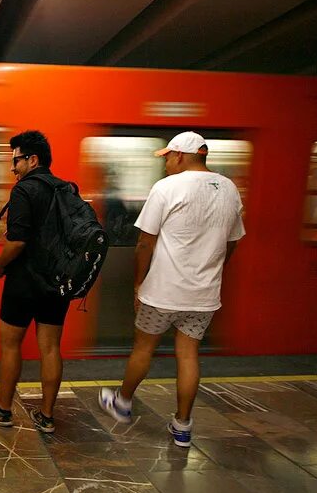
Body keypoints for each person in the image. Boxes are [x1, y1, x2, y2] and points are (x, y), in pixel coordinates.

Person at [98, 131, 245, 448]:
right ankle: (182, 425)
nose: (165, 165)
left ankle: (122, 403)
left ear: (180, 155)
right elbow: (232, 242)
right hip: (203, 296)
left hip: (162, 292)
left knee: (143, 348)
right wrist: (214, 270)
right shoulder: (230, 189)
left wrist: (138, 283)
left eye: (167, 158)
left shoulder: (166, 187)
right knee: (188, 355)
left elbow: (144, 242)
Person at [0, 130, 72, 434]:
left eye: (15, 160)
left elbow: (16, 243)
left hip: (23, 282)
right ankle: (46, 416)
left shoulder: (23, 191)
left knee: (10, 345)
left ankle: (3, 410)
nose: (12, 168)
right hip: (57, 282)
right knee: (50, 348)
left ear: (32, 159)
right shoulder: (65, 189)